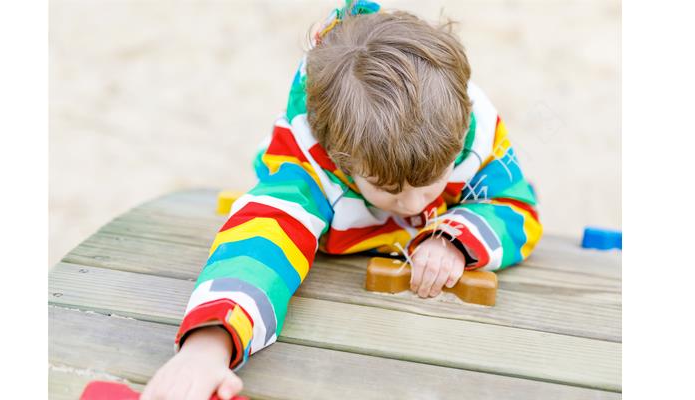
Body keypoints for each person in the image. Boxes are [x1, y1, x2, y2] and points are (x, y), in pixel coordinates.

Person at [142, 1, 542, 398]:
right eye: (388, 189)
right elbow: (261, 241)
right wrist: (208, 347)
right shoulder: (307, 168)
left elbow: (516, 207)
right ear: (339, 156)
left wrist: (453, 237)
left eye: (432, 182)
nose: (414, 204)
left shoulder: (467, 134)